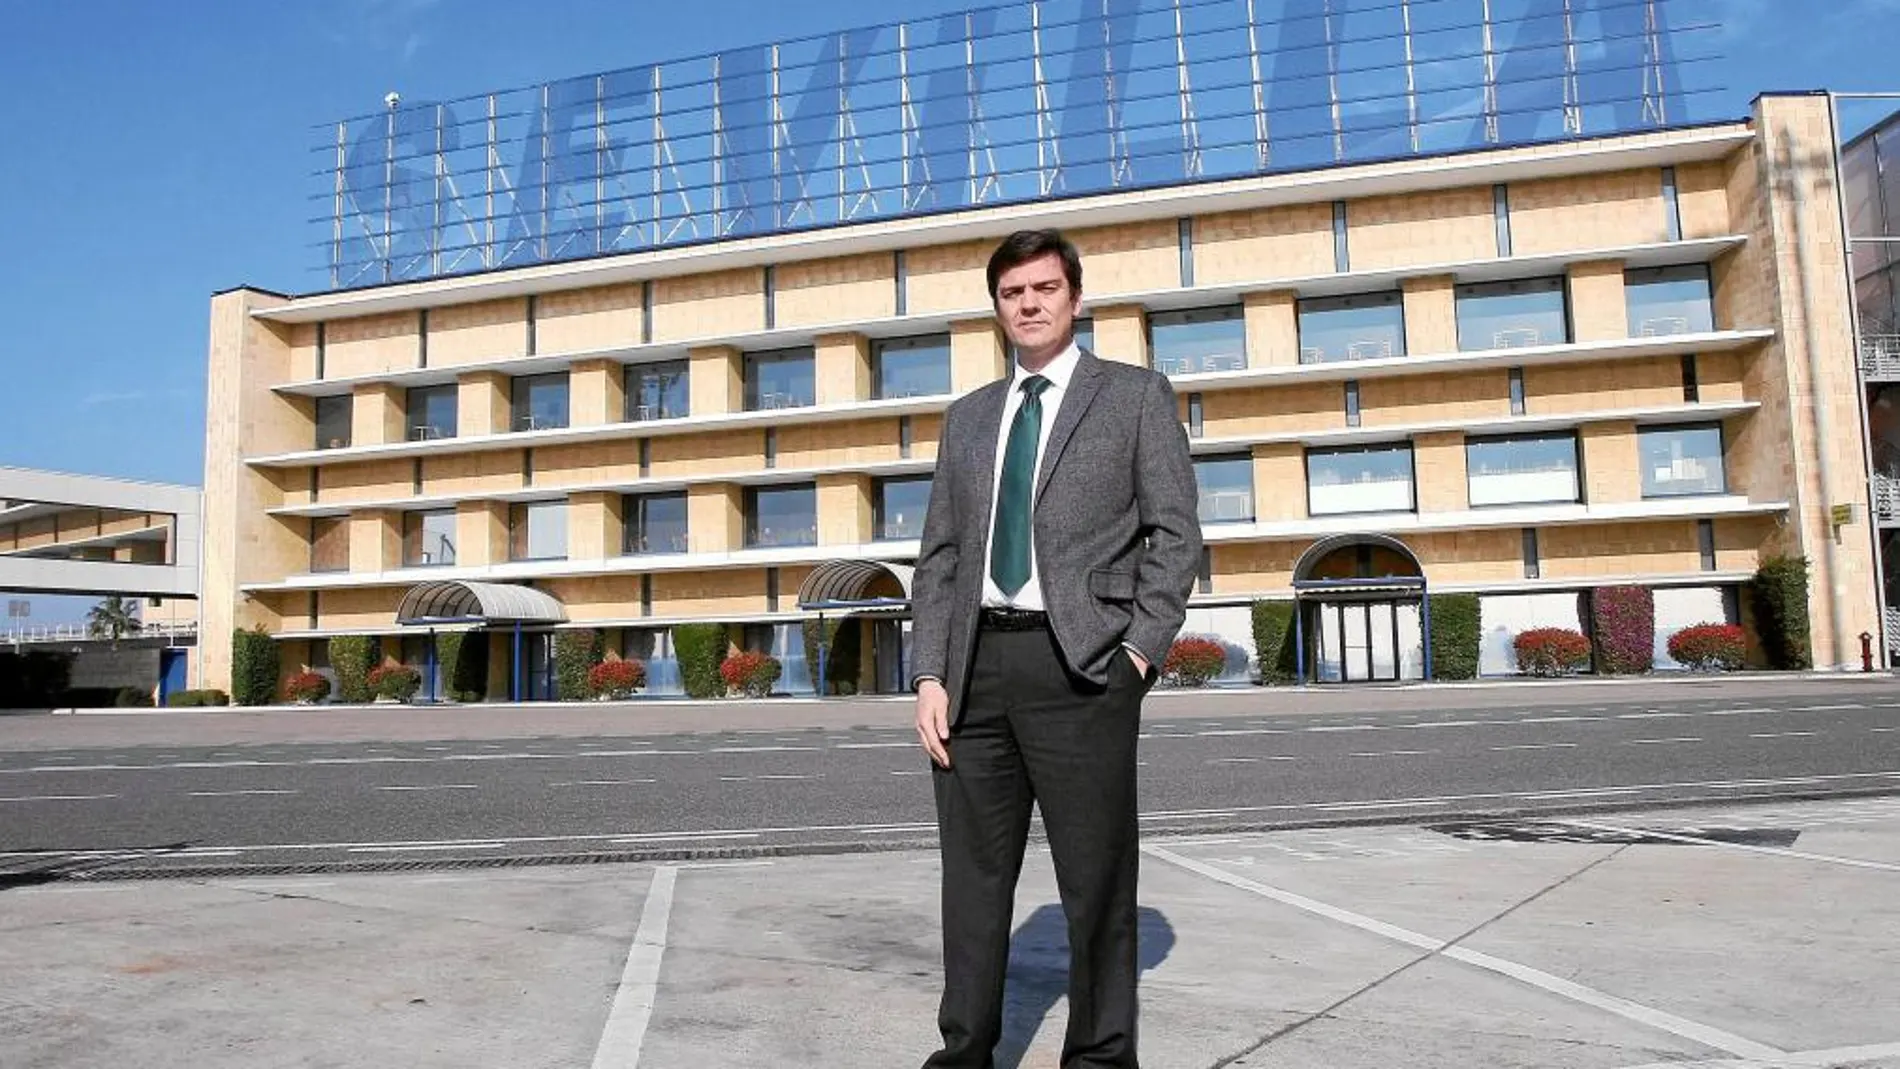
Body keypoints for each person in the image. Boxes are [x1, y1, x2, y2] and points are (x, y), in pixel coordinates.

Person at [908, 228, 1202, 1068]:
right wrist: (929, 672)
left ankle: (1102, 1055)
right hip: (973, 673)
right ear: (996, 307)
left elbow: (1176, 536)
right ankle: (964, 1051)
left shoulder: (1134, 396)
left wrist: (1138, 654)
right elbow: (941, 557)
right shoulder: (967, 419)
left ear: (1074, 297)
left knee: (1097, 880)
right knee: (971, 881)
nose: (1028, 304)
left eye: (1043, 288)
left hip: (1083, 667)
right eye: (1012, 293)